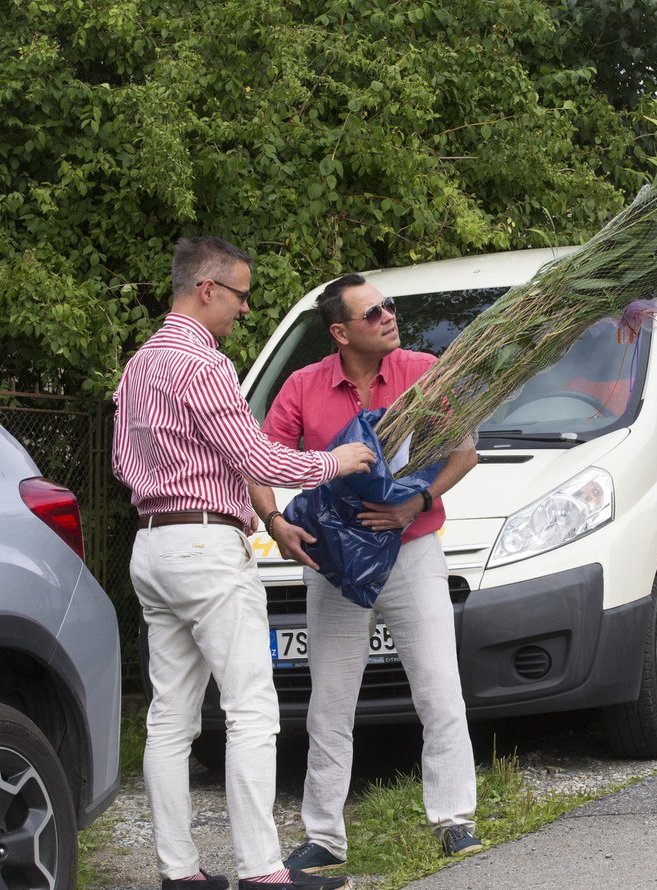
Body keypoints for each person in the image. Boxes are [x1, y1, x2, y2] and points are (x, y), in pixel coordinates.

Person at [113, 237, 376, 890]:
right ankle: (263, 873)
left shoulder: (140, 365)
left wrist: (252, 510)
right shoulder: (203, 366)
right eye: (239, 295)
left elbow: (122, 462)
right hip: (205, 547)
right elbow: (258, 458)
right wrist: (332, 463)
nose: (245, 309)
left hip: (152, 544)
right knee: (252, 711)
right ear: (206, 289)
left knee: (170, 720)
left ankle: (180, 874)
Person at [250, 273, 481, 875]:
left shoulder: (423, 370)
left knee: (438, 688)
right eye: (372, 312)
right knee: (329, 701)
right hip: (339, 563)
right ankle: (324, 836)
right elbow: (255, 461)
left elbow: (465, 450)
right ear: (340, 331)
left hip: (412, 550)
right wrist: (275, 521)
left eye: (388, 308)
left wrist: (416, 502)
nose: (387, 317)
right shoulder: (303, 386)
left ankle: (455, 820)